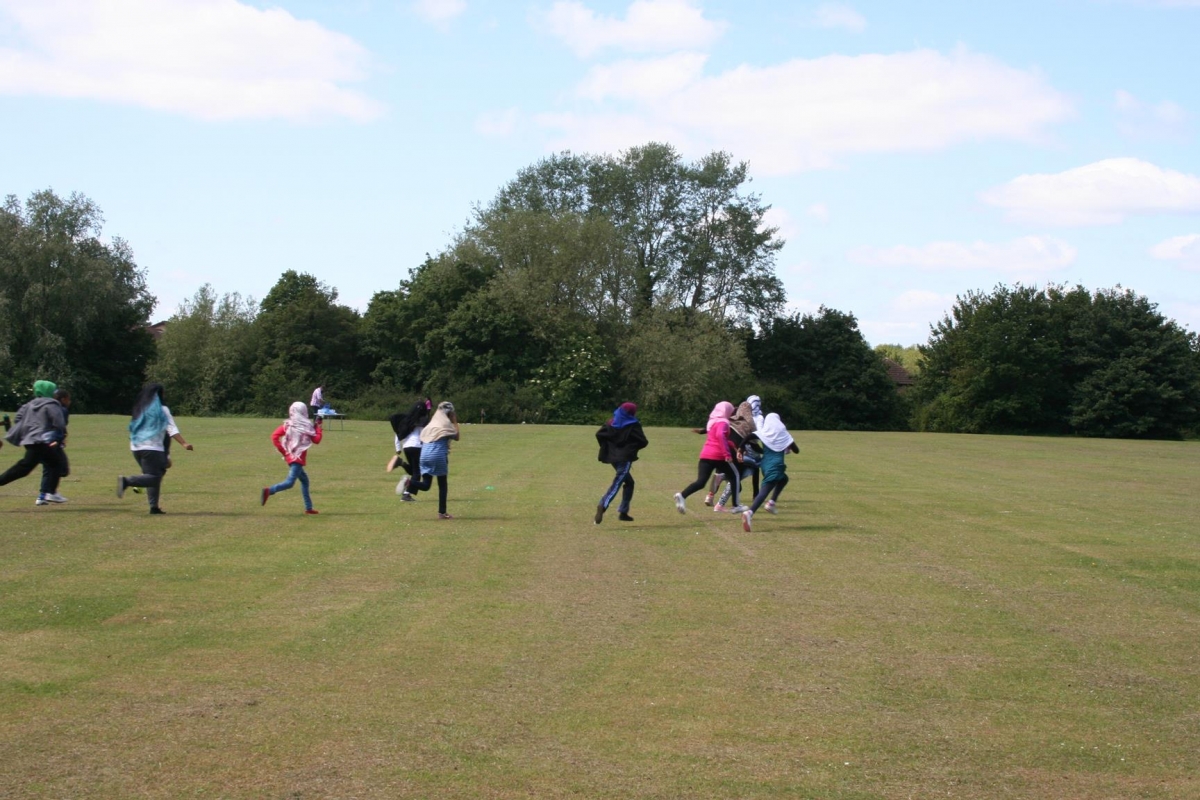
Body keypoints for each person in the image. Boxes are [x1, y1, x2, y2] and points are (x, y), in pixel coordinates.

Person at [117, 383, 194, 514]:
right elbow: (172, 429)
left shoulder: (141, 408)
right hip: (152, 448)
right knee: (154, 477)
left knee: (151, 474)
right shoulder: (162, 409)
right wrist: (184, 443)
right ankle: (126, 481)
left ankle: (154, 507)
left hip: (136, 447)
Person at [0, 380, 69, 505]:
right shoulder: (52, 404)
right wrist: (56, 432)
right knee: (24, 467)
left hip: (28, 439)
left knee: (54, 462)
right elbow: (59, 423)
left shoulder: (29, 404)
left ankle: (50, 492)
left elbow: (18, 418)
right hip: (38, 440)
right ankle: (50, 493)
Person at [674, 401, 742, 514]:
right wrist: (727, 454)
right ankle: (736, 505)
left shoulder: (712, 422)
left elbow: (716, 438)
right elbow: (720, 435)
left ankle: (681, 495)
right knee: (735, 476)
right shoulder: (724, 422)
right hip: (718, 456)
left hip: (705, 455)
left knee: (701, 482)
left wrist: (730, 444)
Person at [741, 413, 800, 532]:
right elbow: (797, 450)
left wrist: (740, 448)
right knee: (765, 491)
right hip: (775, 465)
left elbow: (748, 437)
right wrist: (787, 443)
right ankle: (750, 513)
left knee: (784, 479)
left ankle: (771, 503)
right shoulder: (784, 434)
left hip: (765, 465)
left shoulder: (764, 433)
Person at [261, 402, 323, 514]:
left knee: (305, 481)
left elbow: (274, 437)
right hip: (297, 459)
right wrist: (318, 428)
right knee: (290, 483)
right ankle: (269, 491)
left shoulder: (288, 425)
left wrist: (285, 452)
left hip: (291, 457)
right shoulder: (306, 427)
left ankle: (309, 508)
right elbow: (317, 440)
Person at [594, 402, 649, 524]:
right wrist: (631, 448)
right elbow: (643, 441)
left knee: (629, 482)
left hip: (612, 458)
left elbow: (599, 434)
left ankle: (623, 512)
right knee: (618, 481)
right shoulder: (633, 424)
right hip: (625, 458)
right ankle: (603, 504)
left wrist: (608, 447)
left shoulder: (611, 422)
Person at [408, 401, 460, 519]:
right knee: (442, 485)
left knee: (426, 485)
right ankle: (442, 513)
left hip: (424, 455)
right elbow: (457, 436)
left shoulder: (431, 424)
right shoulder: (446, 424)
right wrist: (455, 421)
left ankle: (409, 482)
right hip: (438, 455)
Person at [391, 399, 431, 501]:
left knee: (414, 470)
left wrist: (398, 448)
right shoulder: (422, 421)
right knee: (417, 472)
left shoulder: (407, 421)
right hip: (417, 447)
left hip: (406, 447)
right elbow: (424, 435)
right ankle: (406, 494)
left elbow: (398, 434)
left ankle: (401, 463)